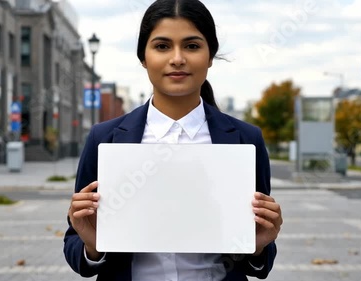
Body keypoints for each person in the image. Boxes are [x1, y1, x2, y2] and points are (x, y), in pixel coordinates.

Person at [63, 0, 283, 280]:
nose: (177, 58)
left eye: (192, 46)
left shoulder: (245, 140)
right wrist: (92, 246)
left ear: (210, 56)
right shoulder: (104, 139)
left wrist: (260, 246)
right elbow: (75, 246)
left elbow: (258, 256)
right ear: (143, 57)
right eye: (162, 46)